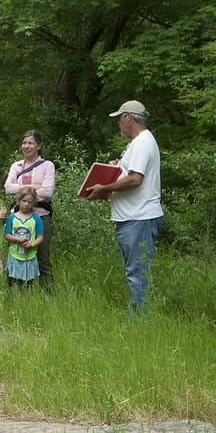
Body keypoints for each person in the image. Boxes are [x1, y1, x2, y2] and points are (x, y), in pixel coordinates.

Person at [85, 100, 163, 315]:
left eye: (119, 118)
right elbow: (131, 173)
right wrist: (116, 169)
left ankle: (140, 320)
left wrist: (104, 187)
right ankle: (140, 316)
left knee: (138, 272)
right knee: (136, 271)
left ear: (129, 117)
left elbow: (135, 179)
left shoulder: (141, 143)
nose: (118, 123)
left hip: (139, 217)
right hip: (133, 217)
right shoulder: (139, 143)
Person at [5, 130, 55, 292]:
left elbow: (48, 192)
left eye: (30, 143)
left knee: (42, 257)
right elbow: (7, 188)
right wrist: (34, 188)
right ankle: (16, 292)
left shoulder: (47, 166)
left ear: (39, 146)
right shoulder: (16, 166)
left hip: (40, 217)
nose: (26, 146)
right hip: (17, 217)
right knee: (16, 254)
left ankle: (47, 294)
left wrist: (20, 191)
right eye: (24, 143)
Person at [4, 187, 44, 291]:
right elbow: (7, 235)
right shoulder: (12, 217)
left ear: (33, 203)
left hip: (29, 255)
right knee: (13, 282)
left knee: (29, 283)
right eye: (24, 201)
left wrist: (32, 244)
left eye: (30, 202)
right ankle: (12, 299)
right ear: (18, 201)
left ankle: (27, 300)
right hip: (14, 255)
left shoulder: (36, 218)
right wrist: (17, 239)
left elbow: (40, 237)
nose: (26, 204)